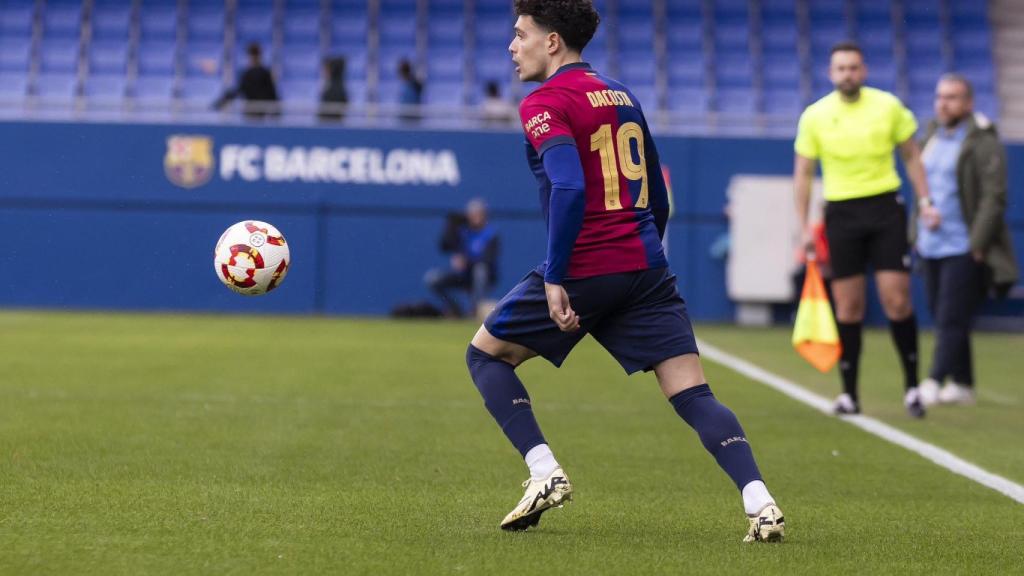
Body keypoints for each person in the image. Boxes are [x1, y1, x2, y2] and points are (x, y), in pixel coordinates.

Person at [465, 0, 784, 542]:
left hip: (586, 265)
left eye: (520, 34)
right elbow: (657, 195)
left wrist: (558, 275)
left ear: (552, 41)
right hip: (644, 265)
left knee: (485, 355)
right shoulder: (622, 94)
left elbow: (569, 186)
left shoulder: (544, 101)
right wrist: (643, 255)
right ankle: (761, 502)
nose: (512, 46)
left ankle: (544, 472)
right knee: (693, 392)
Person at [794, 41, 940, 418]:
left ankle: (912, 389)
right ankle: (849, 394)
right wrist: (804, 226)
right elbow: (803, 173)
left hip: (885, 209)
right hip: (841, 213)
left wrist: (926, 200)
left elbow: (912, 155)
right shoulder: (815, 115)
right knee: (848, 306)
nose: (848, 74)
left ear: (864, 70)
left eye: (854, 67)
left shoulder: (888, 106)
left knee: (897, 300)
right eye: (841, 68)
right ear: (831, 74)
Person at [914, 74, 1019, 406]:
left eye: (952, 97)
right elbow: (921, 186)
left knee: (951, 316)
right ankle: (963, 383)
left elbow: (994, 196)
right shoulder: (931, 136)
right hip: (930, 243)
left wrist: (978, 242)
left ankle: (933, 380)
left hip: (963, 244)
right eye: (940, 97)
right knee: (940, 312)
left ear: (968, 103)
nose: (943, 104)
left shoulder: (983, 141)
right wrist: (918, 224)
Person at [424, 199, 499, 318]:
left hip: (483, 277)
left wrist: (467, 262)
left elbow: (488, 259)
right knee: (432, 279)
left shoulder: (490, 234)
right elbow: (444, 246)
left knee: (480, 270)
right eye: (472, 214)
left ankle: (475, 311)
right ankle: (455, 310)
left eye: (478, 213)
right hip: (463, 275)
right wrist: (451, 224)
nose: (475, 217)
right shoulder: (463, 231)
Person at [213, 43, 279, 119]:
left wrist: (276, 112)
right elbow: (239, 90)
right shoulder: (249, 73)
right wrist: (223, 101)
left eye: (254, 55)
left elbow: (272, 93)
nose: (253, 58)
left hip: (259, 111)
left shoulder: (263, 73)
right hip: (250, 111)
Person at [318, 56, 348, 122]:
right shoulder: (333, 86)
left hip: (330, 124)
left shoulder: (335, 90)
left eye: (326, 69)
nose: (324, 72)